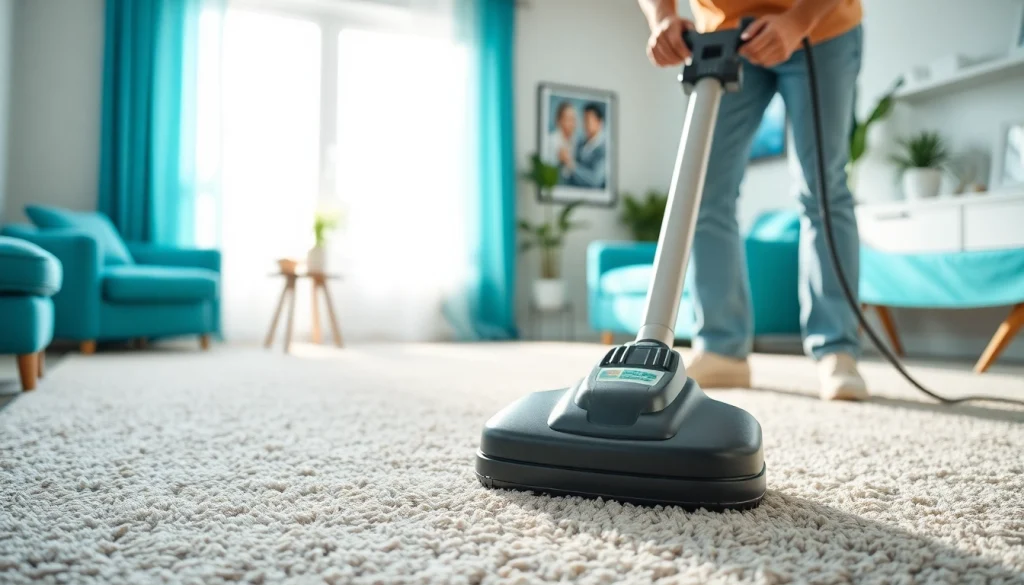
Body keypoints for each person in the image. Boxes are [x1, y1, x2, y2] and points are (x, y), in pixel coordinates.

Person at [637, 0, 867, 400]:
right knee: (704, 190)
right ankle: (723, 350)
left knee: (823, 190)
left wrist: (798, 20)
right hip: (722, 35)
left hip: (821, 26)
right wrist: (662, 18)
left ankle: (837, 350)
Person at [566, 103, 608, 189]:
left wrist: (571, 165)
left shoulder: (603, 149)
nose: (585, 125)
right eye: (584, 120)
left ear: (599, 122)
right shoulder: (581, 143)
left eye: (588, 120)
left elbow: (595, 181)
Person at [544, 101, 578, 181]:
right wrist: (559, 160)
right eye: (569, 119)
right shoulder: (550, 141)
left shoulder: (577, 142)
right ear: (559, 121)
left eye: (574, 119)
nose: (573, 124)